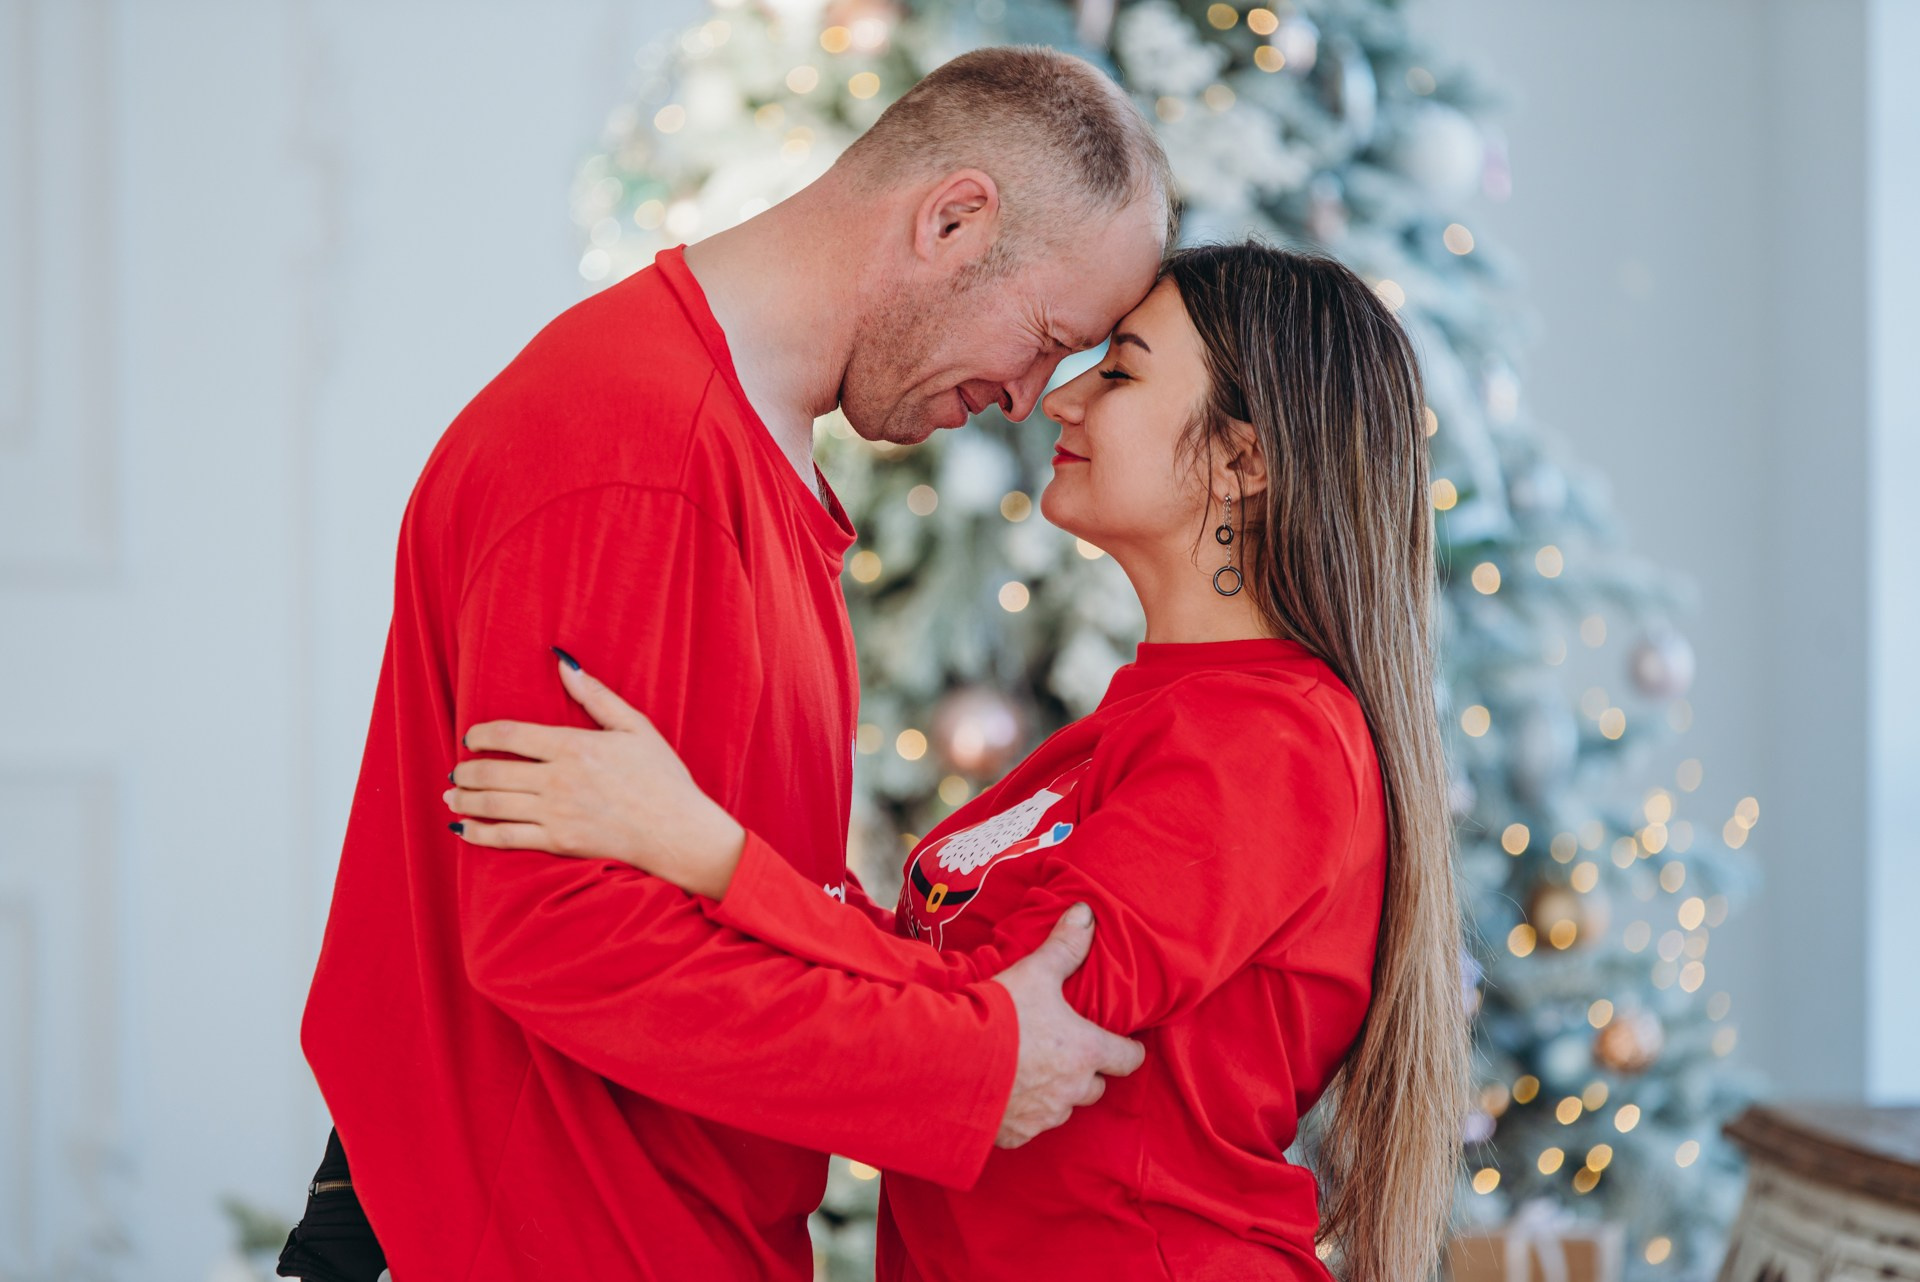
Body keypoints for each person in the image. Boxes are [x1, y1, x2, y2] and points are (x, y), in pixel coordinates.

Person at [288, 47, 1175, 1282]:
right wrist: (963, 1066)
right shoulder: (634, 453)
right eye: (1044, 338)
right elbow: (562, 936)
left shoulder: (739, 444)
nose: (1031, 400)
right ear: (954, 218)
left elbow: (747, 897)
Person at [445, 242, 1473, 1282]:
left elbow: (996, 1030)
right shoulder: (1143, 722)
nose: (1059, 402)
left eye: (1117, 371)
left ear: (1243, 461)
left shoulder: (1277, 741)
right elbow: (936, 982)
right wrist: (686, 833)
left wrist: (705, 849)